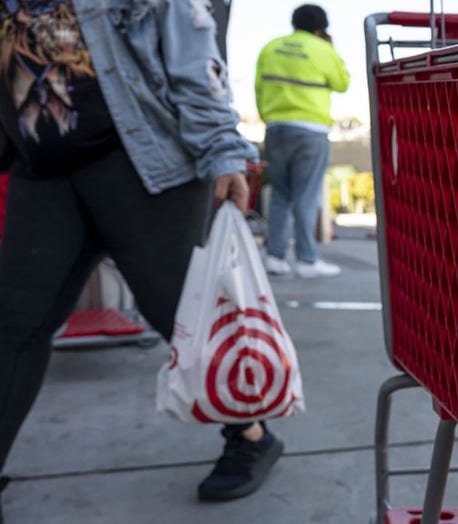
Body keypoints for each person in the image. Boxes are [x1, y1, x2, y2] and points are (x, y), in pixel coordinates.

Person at [0, 1, 283, 519]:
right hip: (43, 171)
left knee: (181, 314)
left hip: (142, 162)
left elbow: (195, 53)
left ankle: (252, 434)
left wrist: (222, 149)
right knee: (14, 324)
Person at [255, 4, 350, 278]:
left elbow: (258, 88)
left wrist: (269, 118)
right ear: (321, 29)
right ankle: (307, 260)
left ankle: (275, 258)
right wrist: (330, 48)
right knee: (306, 196)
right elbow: (343, 83)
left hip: (275, 129)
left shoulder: (271, 47)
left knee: (280, 195)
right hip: (310, 131)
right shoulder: (322, 50)